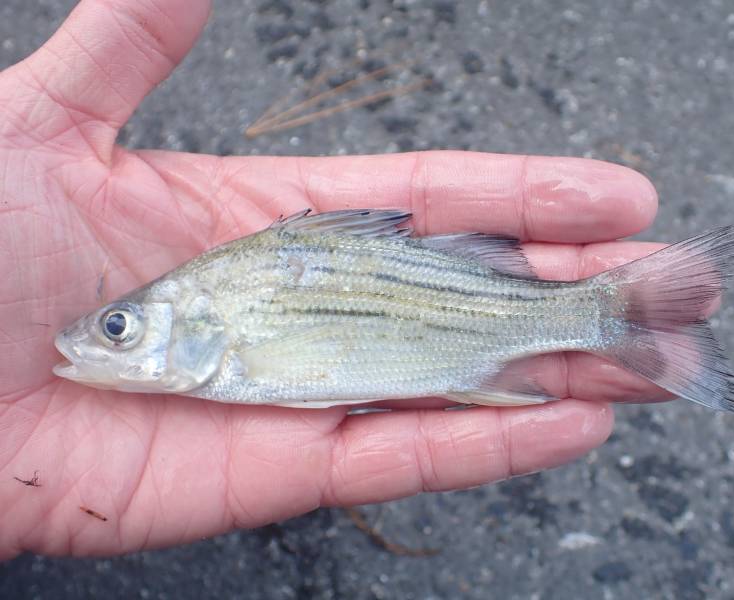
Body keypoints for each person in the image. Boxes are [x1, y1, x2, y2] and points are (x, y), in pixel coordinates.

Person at [0, 0, 671, 559]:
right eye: (119, 327)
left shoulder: (223, 306)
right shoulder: (216, 300)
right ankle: (620, 321)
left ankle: (609, 316)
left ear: (196, 319)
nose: (107, 337)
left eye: (120, 327)